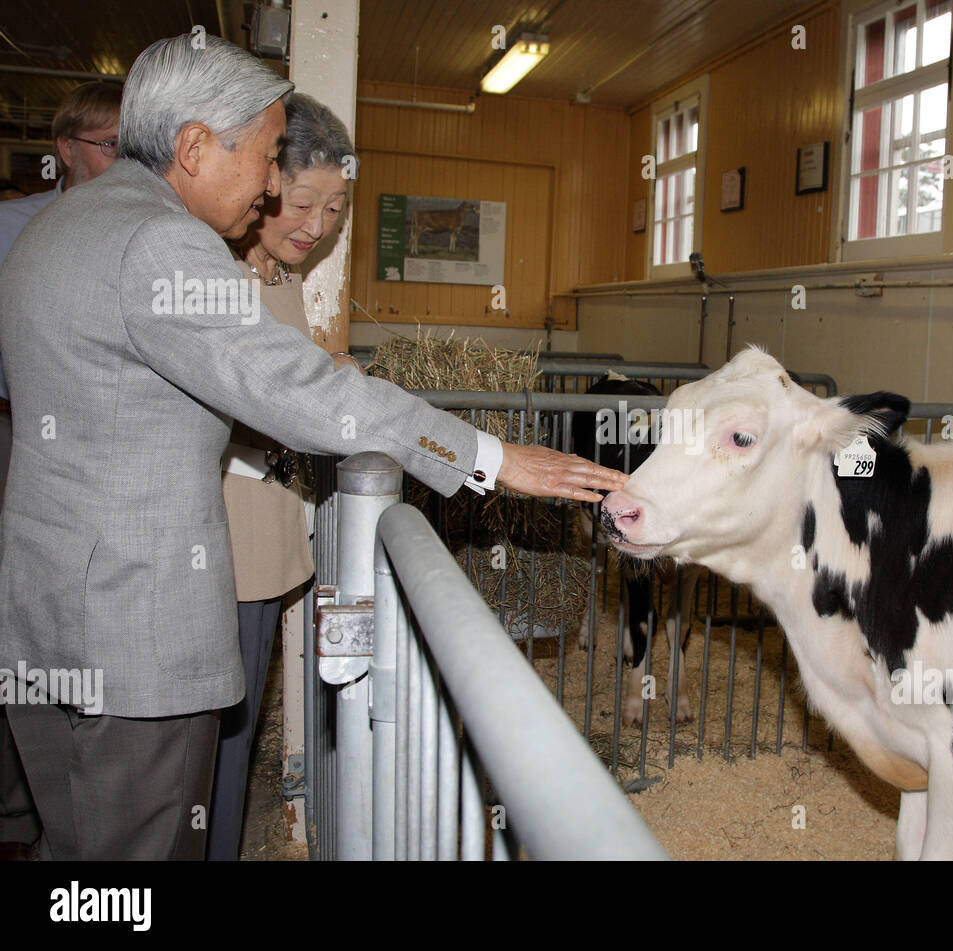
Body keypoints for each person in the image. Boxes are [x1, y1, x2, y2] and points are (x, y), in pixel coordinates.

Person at [0, 35, 625, 860]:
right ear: (193, 147)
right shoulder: (161, 242)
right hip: (132, 632)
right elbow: (304, 395)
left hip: (46, 613)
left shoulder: (59, 223)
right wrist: (490, 457)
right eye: (263, 157)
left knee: (74, 848)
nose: (269, 185)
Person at [206, 92, 356, 860]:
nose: (317, 226)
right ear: (262, 184)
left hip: (263, 548)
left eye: (335, 208)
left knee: (228, 756)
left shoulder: (278, 275)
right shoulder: (214, 274)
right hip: (217, 552)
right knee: (201, 765)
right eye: (303, 202)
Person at [0, 80, 122, 862]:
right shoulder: (13, 224)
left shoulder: (139, 234)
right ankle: (19, 812)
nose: (122, 161)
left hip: (106, 443)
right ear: (67, 149)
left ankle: (69, 815)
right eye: (111, 145)